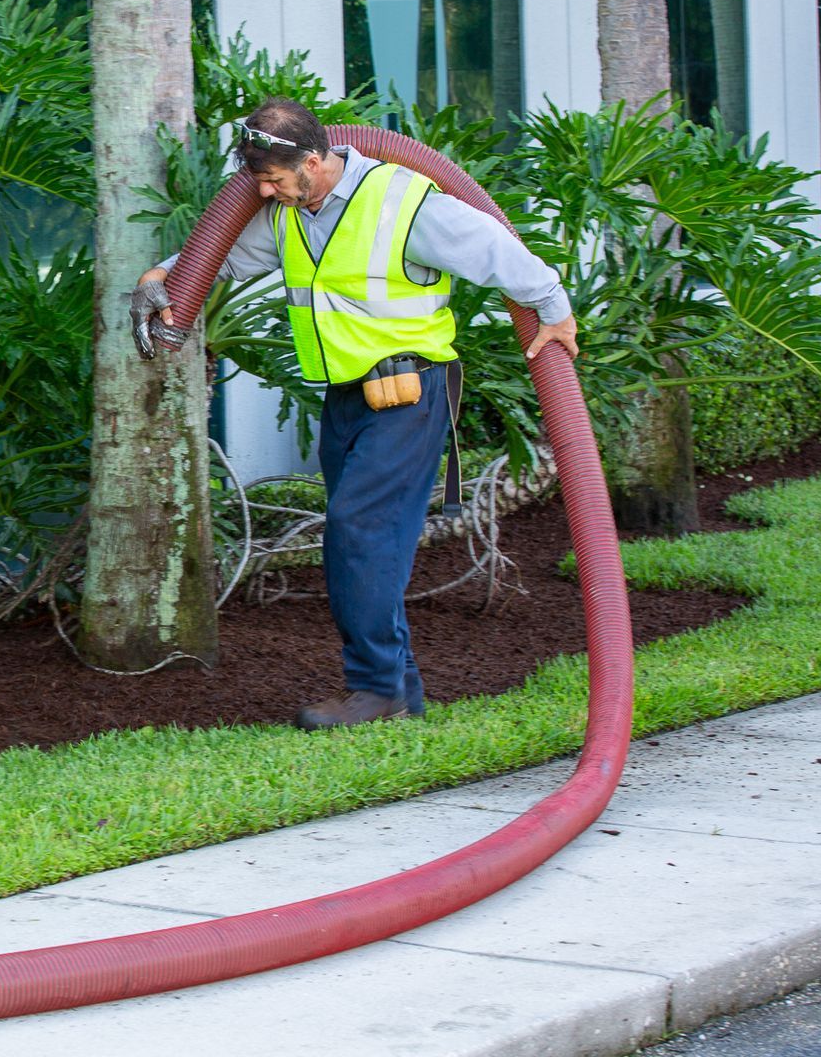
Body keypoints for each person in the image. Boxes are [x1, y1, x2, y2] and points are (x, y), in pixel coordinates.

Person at [129, 97, 579, 731]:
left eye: (274, 179)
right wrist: (161, 276)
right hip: (345, 397)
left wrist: (553, 308)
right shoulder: (287, 211)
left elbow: (495, 249)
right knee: (371, 544)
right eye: (256, 179)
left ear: (314, 160)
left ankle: (376, 691)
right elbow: (221, 255)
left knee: (358, 535)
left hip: (411, 396)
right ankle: (401, 692)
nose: (262, 191)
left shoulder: (403, 201)